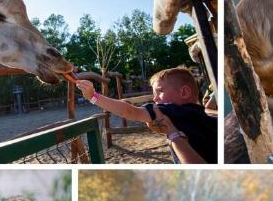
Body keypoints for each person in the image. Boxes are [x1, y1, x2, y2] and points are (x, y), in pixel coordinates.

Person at [75, 67, 217, 163]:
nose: (155, 99)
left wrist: (93, 96)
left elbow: (129, 111)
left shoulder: (170, 110)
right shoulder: (202, 115)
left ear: (184, 93)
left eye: (159, 91)